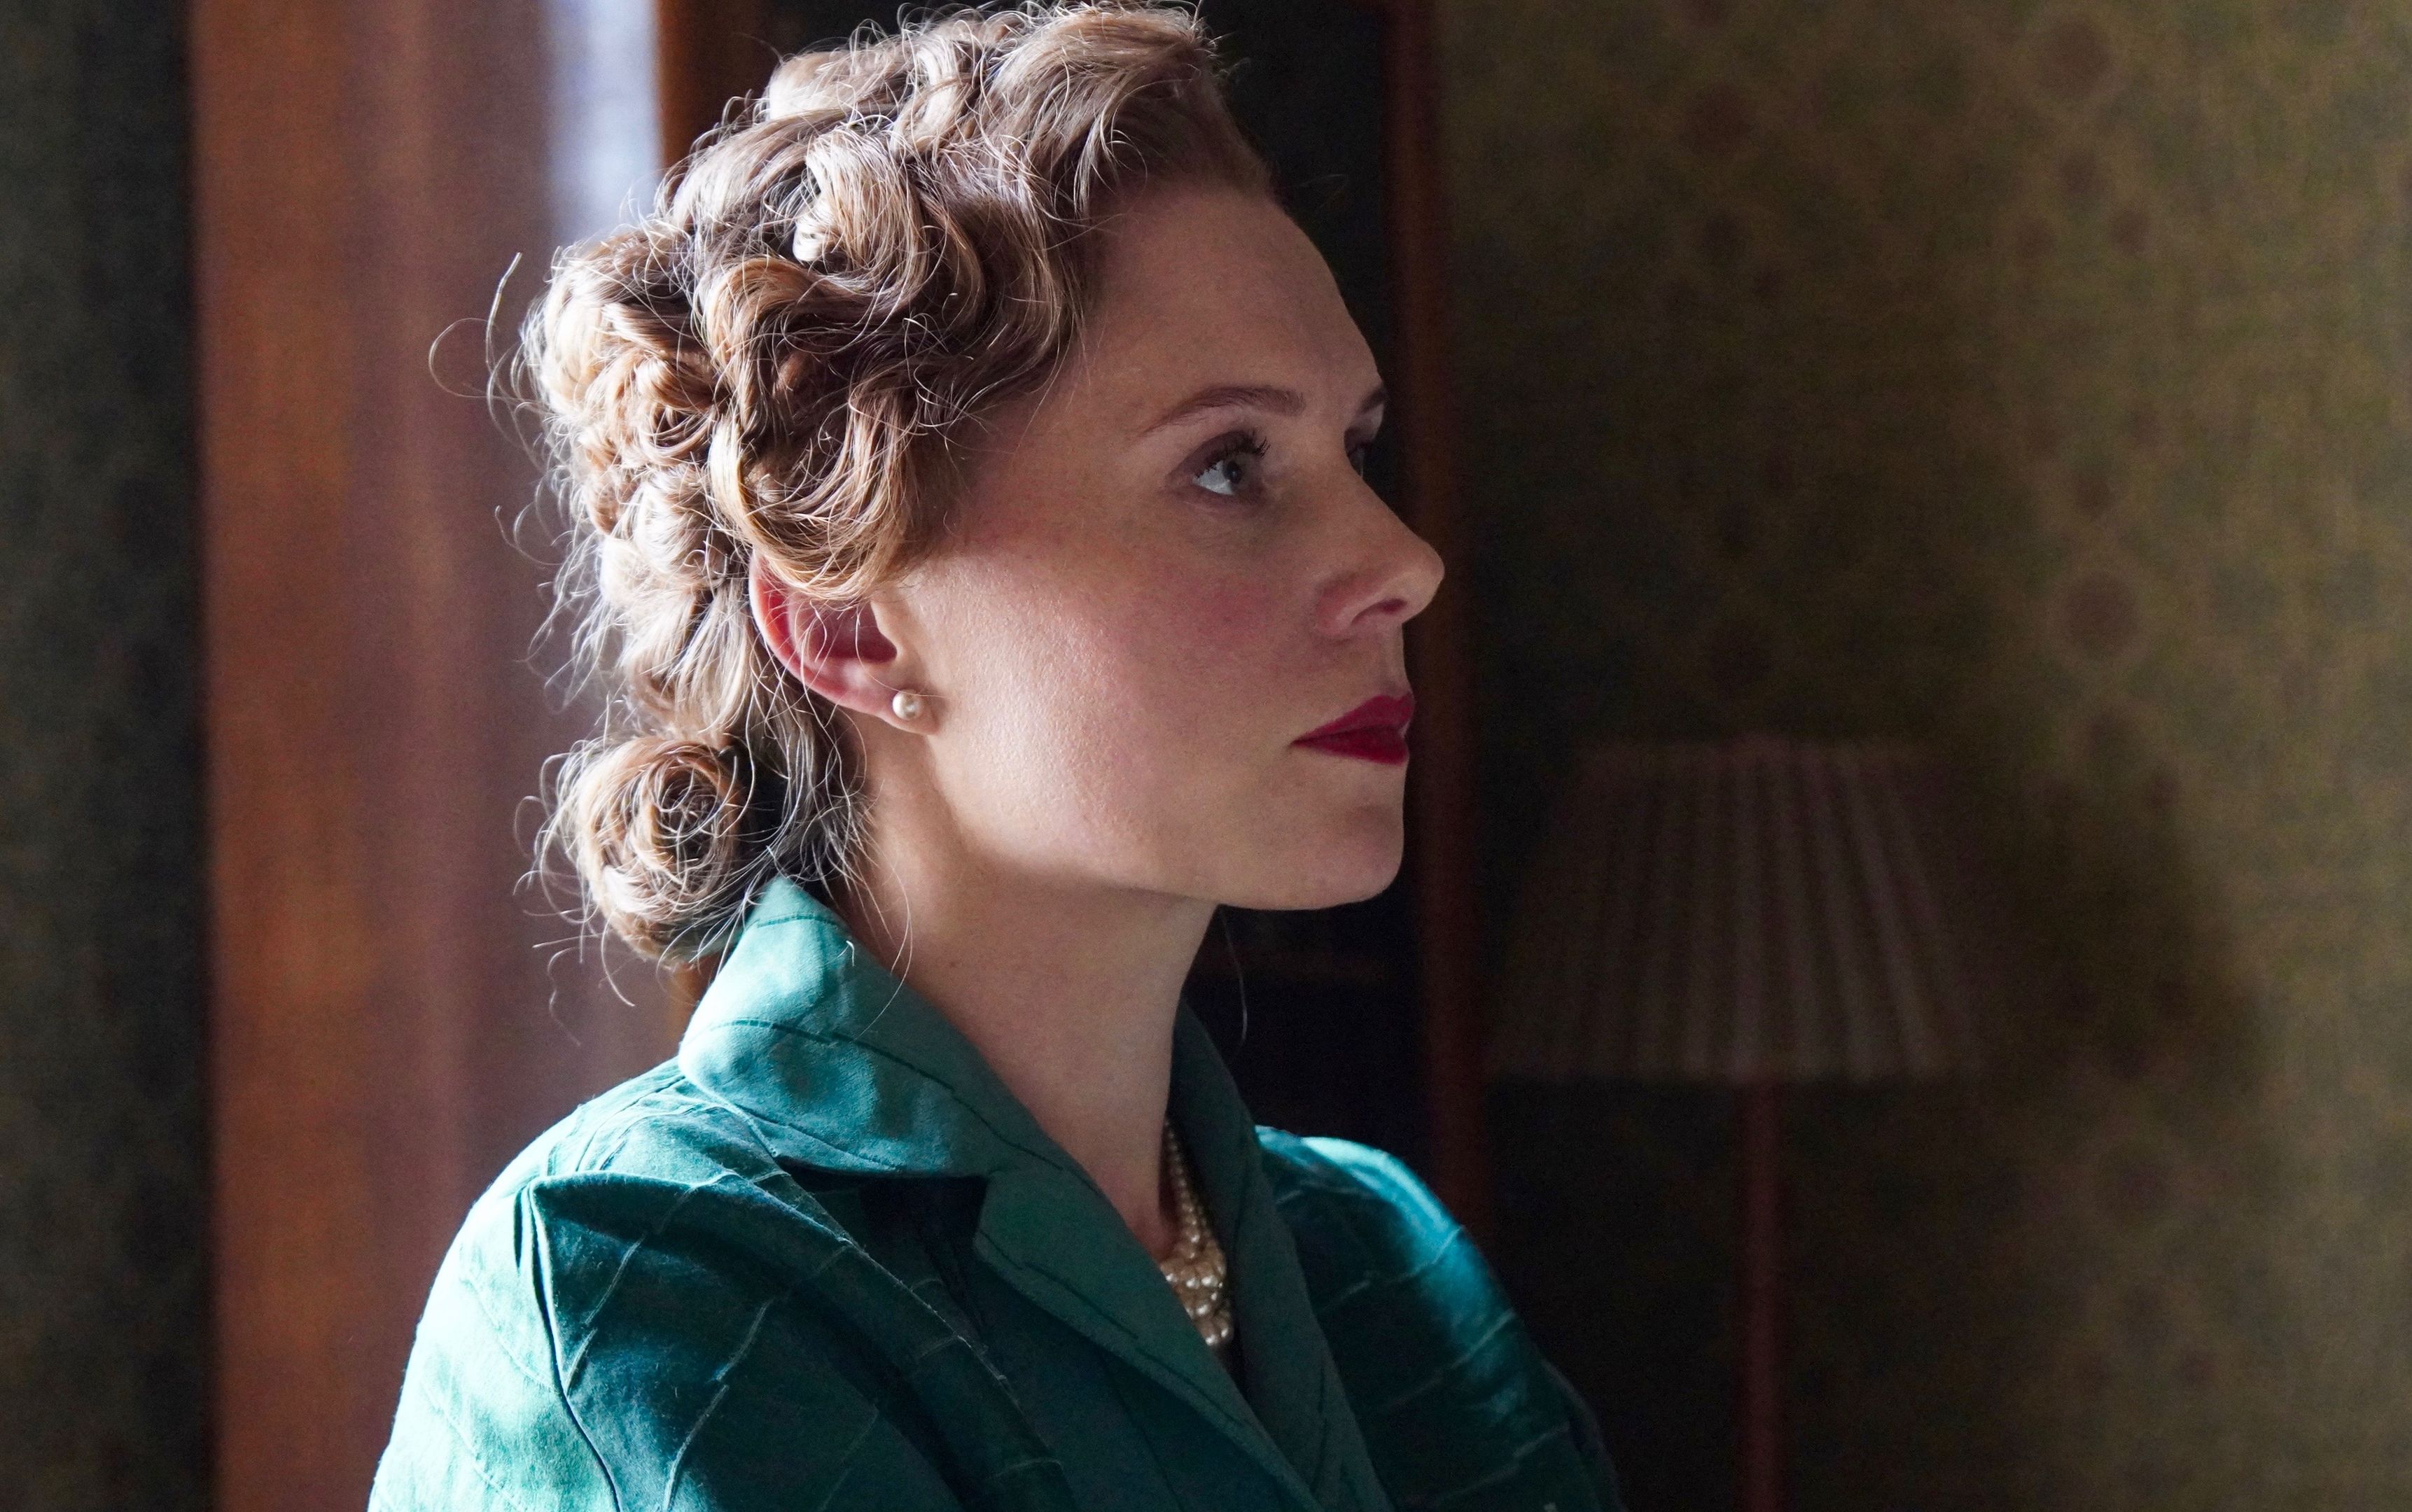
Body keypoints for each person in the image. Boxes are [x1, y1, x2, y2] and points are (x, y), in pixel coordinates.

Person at [370, 4, 1619, 1508]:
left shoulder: (1388, 1268)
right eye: (1227, 464)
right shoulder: (643, 1291)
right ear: (851, 628)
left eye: (1354, 452)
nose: (1403, 563)